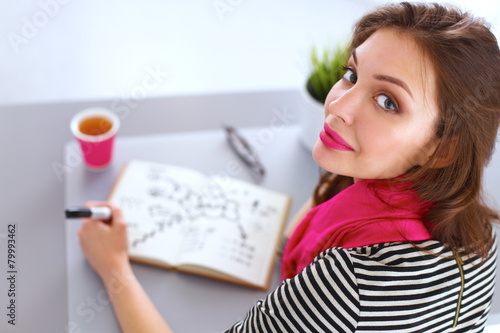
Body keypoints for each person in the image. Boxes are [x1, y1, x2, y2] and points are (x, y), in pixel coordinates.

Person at [78, 2, 500, 332]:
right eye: (352, 75)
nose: (337, 106)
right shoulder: (480, 232)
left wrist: (114, 267)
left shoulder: (348, 285)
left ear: (442, 150)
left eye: (388, 101)